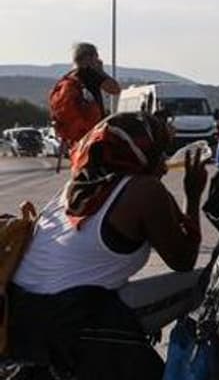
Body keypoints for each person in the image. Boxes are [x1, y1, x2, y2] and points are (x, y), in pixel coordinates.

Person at [8, 112, 206, 380]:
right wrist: (192, 197)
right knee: (206, 281)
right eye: (160, 151)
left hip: (23, 318)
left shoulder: (72, 189)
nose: (164, 160)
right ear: (142, 153)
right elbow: (184, 259)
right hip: (75, 321)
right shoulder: (144, 191)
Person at [48, 42, 121, 151]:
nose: (98, 60)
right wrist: (100, 71)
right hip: (93, 134)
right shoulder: (90, 74)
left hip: (75, 137)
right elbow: (115, 89)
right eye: (96, 56)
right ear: (88, 57)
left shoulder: (68, 78)